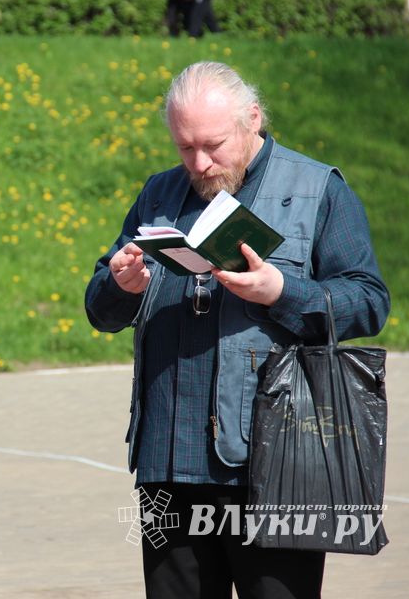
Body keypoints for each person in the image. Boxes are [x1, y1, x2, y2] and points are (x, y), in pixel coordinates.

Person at [85, 61, 389, 598]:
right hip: (167, 465)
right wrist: (120, 287)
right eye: (185, 147)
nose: (200, 163)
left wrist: (282, 292)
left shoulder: (318, 189)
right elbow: (99, 308)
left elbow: (368, 302)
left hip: (275, 462)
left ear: (253, 118)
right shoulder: (159, 194)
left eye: (214, 144)